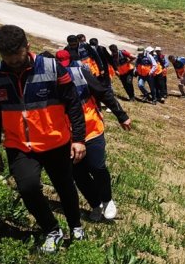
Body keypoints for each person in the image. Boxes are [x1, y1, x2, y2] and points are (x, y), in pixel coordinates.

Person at [0, 25, 87, 253]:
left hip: (55, 142)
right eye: (7, 58)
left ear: (27, 47)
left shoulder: (52, 68)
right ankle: (52, 229)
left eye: (17, 57)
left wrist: (78, 139)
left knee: (65, 187)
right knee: (27, 188)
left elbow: (74, 105)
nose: (13, 62)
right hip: (19, 146)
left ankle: (76, 226)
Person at [56, 50, 131, 222]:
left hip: (91, 129)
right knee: (79, 174)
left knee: (97, 167)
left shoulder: (80, 73)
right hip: (68, 137)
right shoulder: (49, 81)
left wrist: (121, 115)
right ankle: (95, 204)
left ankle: (107, 200)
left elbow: (103, 92)